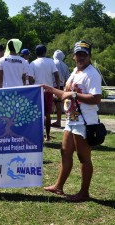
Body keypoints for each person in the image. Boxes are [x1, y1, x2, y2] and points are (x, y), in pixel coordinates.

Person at [42, 40, 102, 202]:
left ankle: (84, 193)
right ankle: (59, 186)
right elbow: (65, 95)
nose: (81, 57)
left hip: (84, 121)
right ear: (73, 56)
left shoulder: (92, 74)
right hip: (71, 119)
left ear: (89, 56)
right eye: (78, 54)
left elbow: (96, 98)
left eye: (84, 54)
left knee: (83, 158)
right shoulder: (76, 71)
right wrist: (50, 88)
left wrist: (74, 95)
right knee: (65, 152)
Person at [29, 44, 60, 141]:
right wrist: (57, 89)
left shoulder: (32, 63)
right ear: (45, 52)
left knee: (38, 114)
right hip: (49, 90)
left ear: (36, 53)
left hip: (38, 91)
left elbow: (30, 78)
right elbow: (56, 75)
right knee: (47, 114)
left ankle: (39, 136)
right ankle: (47, 135)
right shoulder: (51, 61)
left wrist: (33, 85)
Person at [51, 50, 70, 128]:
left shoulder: (52, 63)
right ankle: (58, 121)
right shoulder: (65, 65)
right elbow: (67, 78)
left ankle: (46, 120)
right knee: (59, 105)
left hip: (51, 85)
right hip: (61, 86)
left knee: (49, 103)